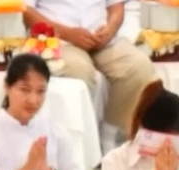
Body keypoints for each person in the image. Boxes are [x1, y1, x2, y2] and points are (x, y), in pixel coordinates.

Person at [25, 0, 155, 134]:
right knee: (80, 72)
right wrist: (67, 33)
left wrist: (110, 29)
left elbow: (116, 6)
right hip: (58, 39)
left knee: (139, 66)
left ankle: (110, 135)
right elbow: (26, 10)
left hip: (101, 37)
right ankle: (84, 139)